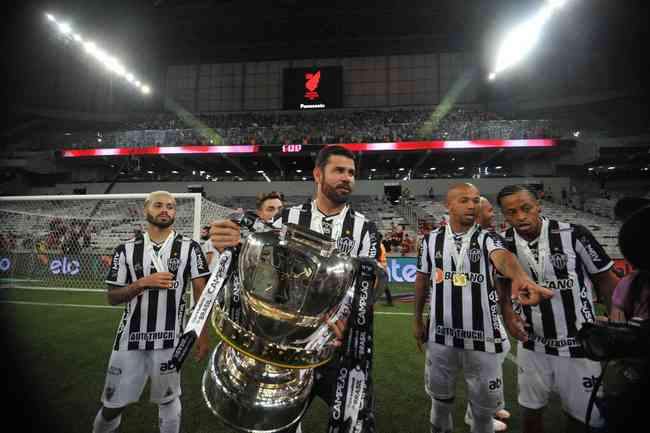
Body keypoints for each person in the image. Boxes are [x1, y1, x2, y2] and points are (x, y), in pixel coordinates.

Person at [210, 145, 380, 433]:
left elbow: (365, 287)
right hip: (285, 347)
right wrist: (230, 242)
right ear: (318, 174)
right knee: (275, 424)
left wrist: (346, 321)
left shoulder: (365, 228)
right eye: (339, 170)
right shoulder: (286, 220)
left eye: (351, 173)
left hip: (334, 347)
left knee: (358, 421)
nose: (347, 178)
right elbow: (261, 268)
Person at [413, 183, 553, 433]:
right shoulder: (430, 240)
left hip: (483, 342)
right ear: (448, 205)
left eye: (476, 200)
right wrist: (416, 320)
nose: (472, 205)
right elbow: (422, 280)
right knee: (439, 404)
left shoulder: (488, 238)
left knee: (482, 414)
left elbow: (503, 258)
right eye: (464, 200)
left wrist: (520, 277)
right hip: (440, 338)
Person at [496, 184, 620, 433]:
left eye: (526, 208)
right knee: (530, 412)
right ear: (504, 215)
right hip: (533, 344)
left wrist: (616, 317)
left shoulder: (575, 234)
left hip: (579, 344)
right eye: (511, 212)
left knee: (582, 417)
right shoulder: (503, 244)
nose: (520, 217)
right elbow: (501, 285)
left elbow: (606, 281)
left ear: (538, 205)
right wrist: (508, 314)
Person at [92, 191, 212, 433]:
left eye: (170, 206)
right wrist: (141, 283)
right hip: (129, 341)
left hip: (170, 339)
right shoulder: (125, 249)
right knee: (112, 405)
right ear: (146, 209)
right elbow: (112, 297)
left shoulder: (190, 247)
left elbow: (202, 292)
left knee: (169, 399)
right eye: (158, 205)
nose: (165, 210)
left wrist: (202, 332)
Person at [464, 195, 510, 431]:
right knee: (482, 365)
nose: (493, 214)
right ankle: (476, 413)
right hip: (473, 314)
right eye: (490, 210)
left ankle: (491, 405)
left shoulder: (489, 238)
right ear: (478, 212)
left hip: (487, 310)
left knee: (502, 349)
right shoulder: (463, 240)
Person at [377, 232, 393, 306]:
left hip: (380, 265)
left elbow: (377, 257)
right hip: (383, 265)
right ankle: (389, 301)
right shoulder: (382, 245)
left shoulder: (378, 246)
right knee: (384, 284)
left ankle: (389, 301)